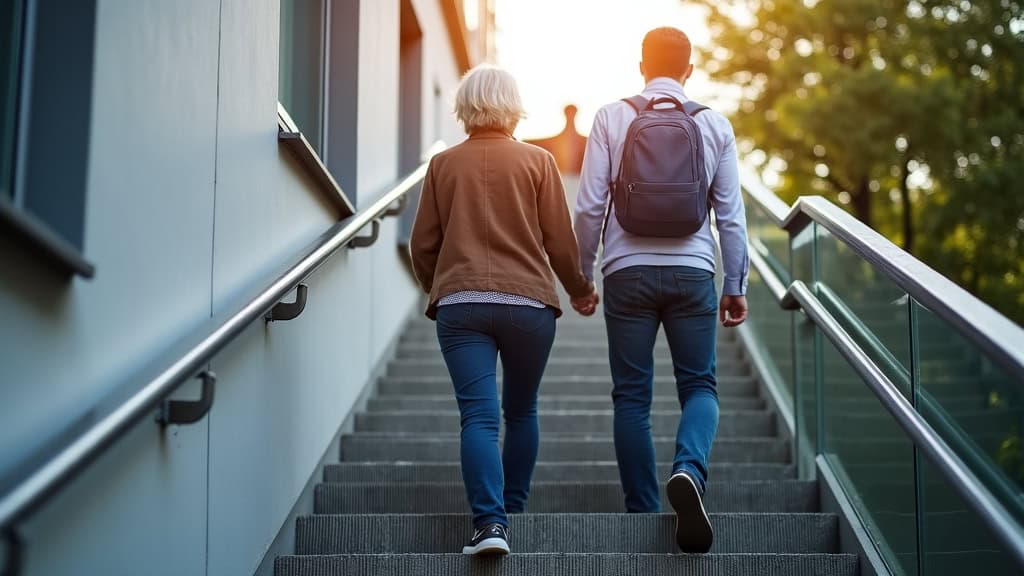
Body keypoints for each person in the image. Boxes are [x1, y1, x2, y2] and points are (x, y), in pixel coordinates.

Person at [409, 64, 599, 556]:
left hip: (461, 306)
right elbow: (560, 241)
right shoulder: (538, 162)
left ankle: (490, 525)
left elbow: (422, 245)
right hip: (529, 306)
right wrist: (579, 289)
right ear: (513, 107)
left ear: (465, 107)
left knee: (478, 417)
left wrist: (441, 287)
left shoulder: (443, 165)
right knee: (521, 410)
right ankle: (513, 510)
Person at [573, 27, 750, 553]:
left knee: (632, 396)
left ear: (642, 65)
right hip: (694, 271)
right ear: (689, 69)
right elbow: (731, 217)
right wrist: (734, 284)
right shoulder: (713, 123)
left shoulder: (611, 116)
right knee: (700, 388)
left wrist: (583, 274)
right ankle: (690, 472)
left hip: (625, 272)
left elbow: (587, 207)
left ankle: (641, 511)